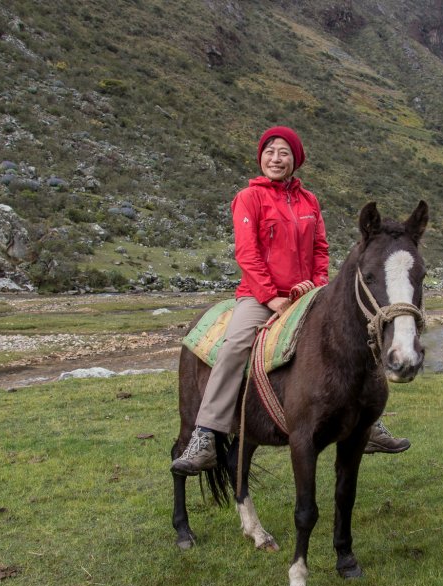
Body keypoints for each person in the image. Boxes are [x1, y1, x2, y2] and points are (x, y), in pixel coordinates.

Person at [171, 126, 409, 476]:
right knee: (235, 344)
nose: (275, 158)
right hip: (259, 296)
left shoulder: (309, 201)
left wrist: (318, 287)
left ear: (295, 160)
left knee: (356, 337)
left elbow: (320, 249)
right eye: (269, 152)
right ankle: (206, 434)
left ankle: (368, 423)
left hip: (307, 293)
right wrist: (271, 297)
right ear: (261, 158)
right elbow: (247, 253)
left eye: (283, 152)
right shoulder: (248, 198)